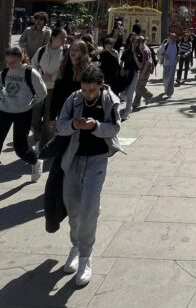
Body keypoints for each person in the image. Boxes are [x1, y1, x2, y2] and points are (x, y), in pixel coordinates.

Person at [56, 65, 123, 286]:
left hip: (97, 160)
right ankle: (75, 245)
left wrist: (95, 126)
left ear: (101, 86)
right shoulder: (74, 99)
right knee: (73, 209)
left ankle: (85, 256)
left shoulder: (109, 100)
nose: (87, 94)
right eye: (84, 90)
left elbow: (114, 129)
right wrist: (73, 125)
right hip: (73, 160)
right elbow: (60, 125)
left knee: (88, 210)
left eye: (92, 90)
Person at [0, 46, 47, 181]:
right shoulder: (4, 72)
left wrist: (30, 103)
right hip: (4, 111)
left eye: (13, 62)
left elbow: (42, 93)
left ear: (21, 59)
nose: (10, 65)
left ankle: (35, 162)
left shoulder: (30, 73)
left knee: (20, 148)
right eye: (7, 62)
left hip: (23, 113)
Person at [31, 26, 67, 165]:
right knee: (34, 115)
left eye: (65, 37)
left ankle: (44, 149)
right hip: (38, 88)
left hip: (54, 89)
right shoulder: (41, 51)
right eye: (61, 37)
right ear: (53, 38)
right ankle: (37, 135)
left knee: (48, 119)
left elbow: (65, 71)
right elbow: (33, 65)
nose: (64, 40)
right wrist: (38, 76)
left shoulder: (65, 52)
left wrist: (52, 77)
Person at [50, 40, 91, 125]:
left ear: (82, 52)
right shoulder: (63, 66)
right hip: (63, 108)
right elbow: (56, 92)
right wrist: (52, 117)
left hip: (79, 110)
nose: (73, 52)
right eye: (72, 49)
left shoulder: (87, 70)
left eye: (77, 50)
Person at [119, 35, 140, 120]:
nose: (135, 44)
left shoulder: (139, 52)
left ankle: (127, 112)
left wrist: (135, 54)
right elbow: (121, 62)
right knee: (123, 93)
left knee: (130, 94)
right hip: (125, 72)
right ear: (131, 42)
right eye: (134, 42)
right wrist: (121, 70)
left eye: (137, 42)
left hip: (134, 73)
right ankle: (129, 105)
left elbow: (139, 65)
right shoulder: (126, 51)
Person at [133, 36, 153, 108]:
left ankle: (148, 95)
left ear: (141, 42)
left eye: (137, 42)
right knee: (139, 86)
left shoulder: (146, 51)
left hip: (145, 70)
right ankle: (136, 102)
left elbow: (147, 64)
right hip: (141, 69)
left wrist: (143, 73)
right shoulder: (140, 49)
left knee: (139, 87)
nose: (135, 44)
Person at [158, 33, 178, 97]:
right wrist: (164, 55)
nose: (173, 39)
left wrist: (179, 56)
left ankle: (169, 92)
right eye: (171, 37)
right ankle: (166, 87)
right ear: (169, 38)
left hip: (173, 64)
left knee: (171, 78)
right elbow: (160, 53)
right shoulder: (166, 45)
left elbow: (180, 53)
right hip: (166, 64)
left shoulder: (177, 46)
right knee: (166, 78)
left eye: (174, 38)